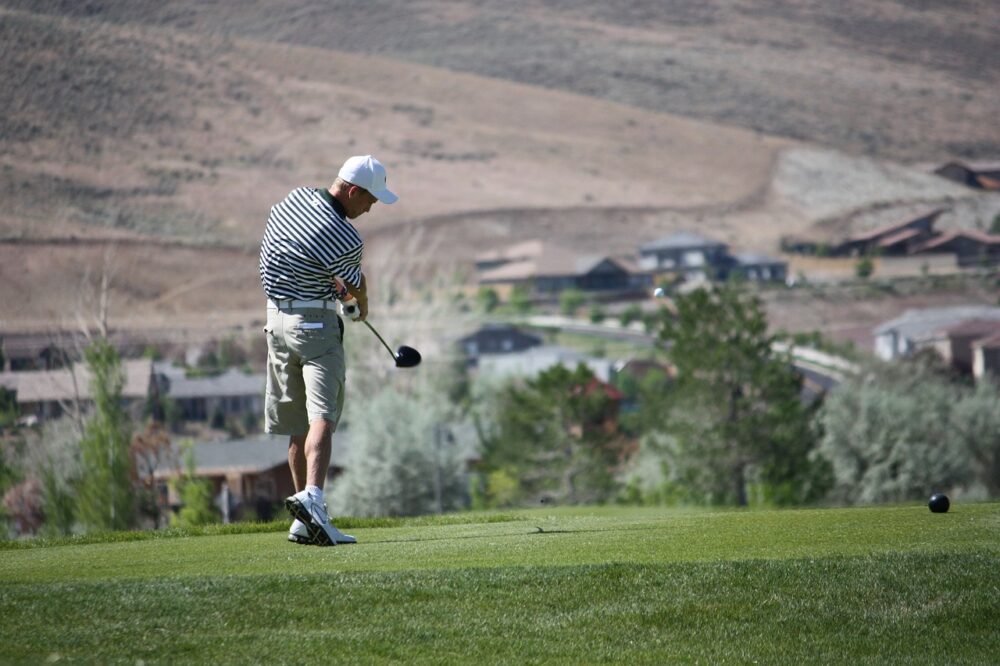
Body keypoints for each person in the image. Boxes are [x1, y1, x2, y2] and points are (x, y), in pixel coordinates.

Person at [258, 155, 398, 546]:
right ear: (353, 191)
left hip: (276, 321)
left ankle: (304, 523)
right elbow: (355, 288)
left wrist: (322, 282)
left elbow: (291, 257)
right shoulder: (347, 237)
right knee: (323, 416)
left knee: (297, 425)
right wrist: (361, 306)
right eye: (369, 199)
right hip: (315, 328)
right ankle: (314, 500)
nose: (370, 208)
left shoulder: (293, 200)